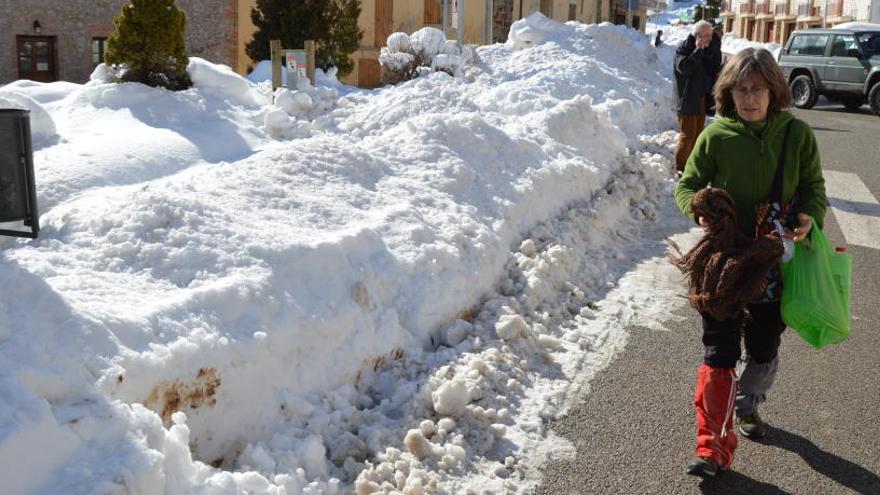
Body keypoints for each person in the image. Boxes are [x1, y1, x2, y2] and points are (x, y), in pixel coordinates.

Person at [674, 48, 828, 477]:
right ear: (728, 93)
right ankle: (711, 447)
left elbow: (815, 187)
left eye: (757, 88)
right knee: (719, 351)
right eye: (740, 89)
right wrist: (697, 208)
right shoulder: (716, 135)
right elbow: (687, 184)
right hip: (723, 262)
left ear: (773, 90)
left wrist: (808, 216)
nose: (749, 98)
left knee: (763, 346)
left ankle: (748, 404)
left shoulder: (797, 136)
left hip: (773, 263)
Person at [673, 20, 722, 173]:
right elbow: (684, 69)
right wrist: (697, 51)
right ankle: (680, 169)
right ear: (698, 36)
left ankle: (691, 164)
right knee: (687, 135)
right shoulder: (684, 48)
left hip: (701, 97)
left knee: (698, 134)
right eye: (707, 36)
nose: (710, 38)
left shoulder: (709, 48)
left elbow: (713, 66)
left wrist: (715, 42)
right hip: (688, 98)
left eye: (711, 35)